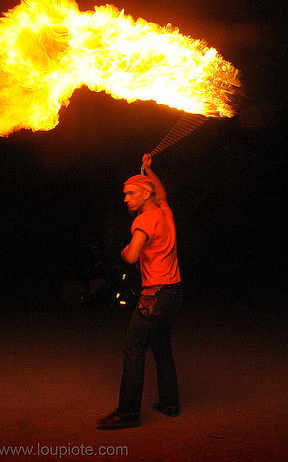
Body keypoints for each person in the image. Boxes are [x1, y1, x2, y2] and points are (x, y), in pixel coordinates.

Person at [98, 153, 183, 429]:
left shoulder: (143, 221)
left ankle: (128, 413)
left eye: (131, 193)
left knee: (134, 348)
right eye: (125, 194)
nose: (126, 199)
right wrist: (148, 169)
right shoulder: (164, 211)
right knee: (161, 346)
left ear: (146, 194)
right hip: (173, 292)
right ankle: (170, 404)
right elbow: (162, 191)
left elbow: (132, 257)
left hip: (155, 294)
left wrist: (125, 250)